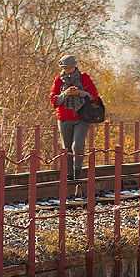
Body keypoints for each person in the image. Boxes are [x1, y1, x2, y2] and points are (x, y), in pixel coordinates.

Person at [50, 52, 101, 189]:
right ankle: (68, 176)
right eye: (64, 68)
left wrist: (80, 93)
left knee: (77, 145)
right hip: (64, 118)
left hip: (82, 117)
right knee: (66, 149)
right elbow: (54, 100)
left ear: (75, 66)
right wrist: (66, 94)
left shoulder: (84, 78)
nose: (67, 70)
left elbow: (94, 97)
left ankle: (78, 174)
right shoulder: (58, 80)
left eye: (69, 67)